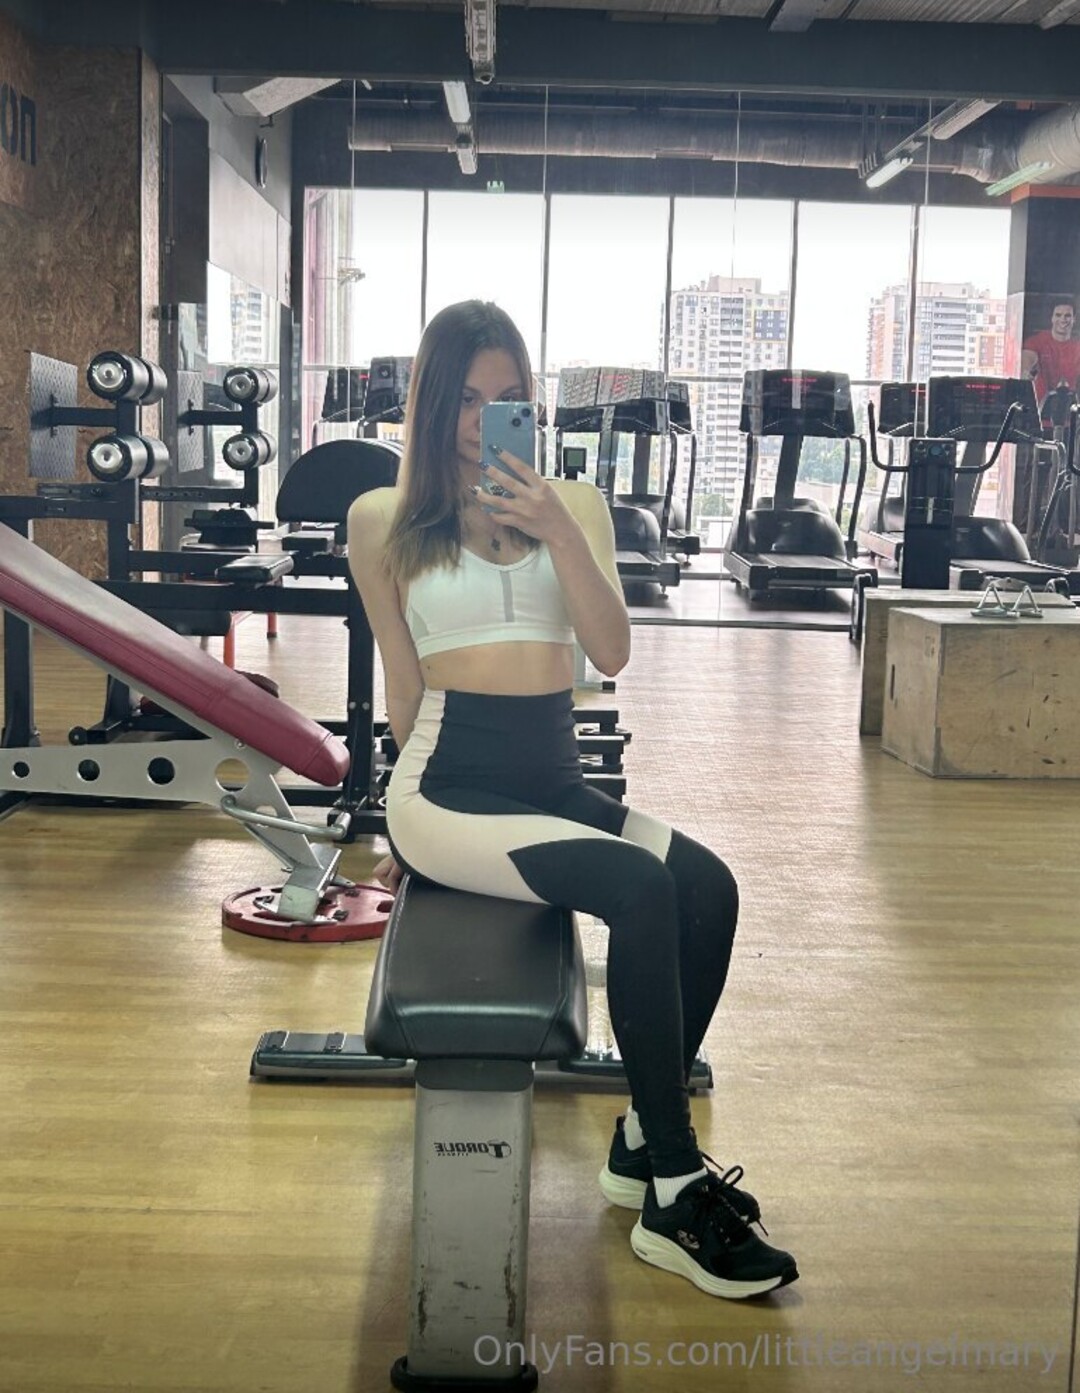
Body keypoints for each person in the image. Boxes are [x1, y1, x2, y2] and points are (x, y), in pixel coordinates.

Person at [348, 300, 798, 1301]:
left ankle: (640, 1137)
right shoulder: (383, 519)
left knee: (707, 888)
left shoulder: (577, 506)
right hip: (447, 787)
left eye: (508, 397)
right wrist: (398, 834)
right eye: (467, 400)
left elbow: (611, 651)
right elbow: (403, 681)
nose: (485, 420)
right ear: (432, 406)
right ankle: (675, 1190)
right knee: (639, 886)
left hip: (551, 778)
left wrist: (553, 527)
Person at [1021, 298, 1080, 415]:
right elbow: (1028, 359)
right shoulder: (1037, 341)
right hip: (1039, 414)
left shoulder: (1077, 347)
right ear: (1052, 318)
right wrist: (1026, 371)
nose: (1063, 319)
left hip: (1071, 416)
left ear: (1074, 319)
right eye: (1058, 315)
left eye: (1067, 316)